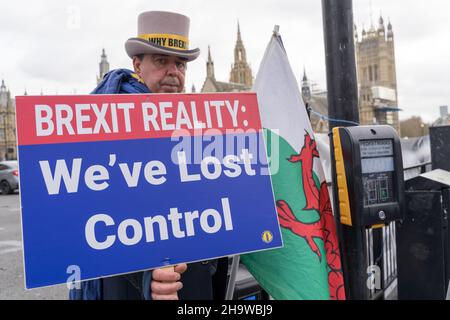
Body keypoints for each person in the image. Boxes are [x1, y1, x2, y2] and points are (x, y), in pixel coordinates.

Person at [69, 11, 229, 300]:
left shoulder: (200, 127)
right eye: (160, 61)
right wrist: (145, 277)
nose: (173, 71)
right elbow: (88, 222)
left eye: (180, 63)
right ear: (137, 65)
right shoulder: (102, 125)